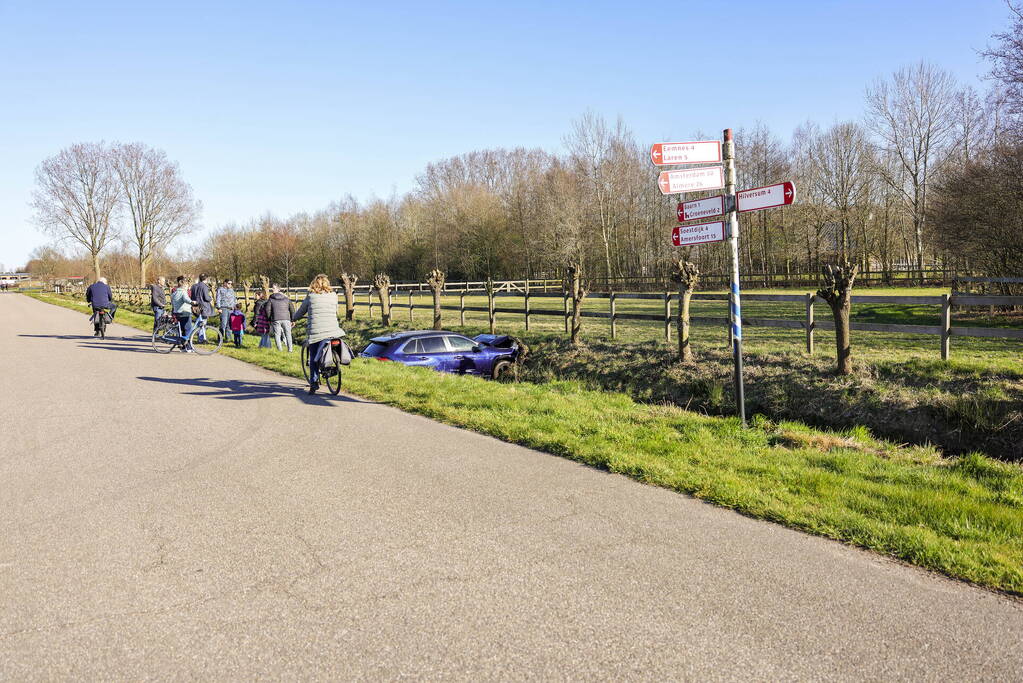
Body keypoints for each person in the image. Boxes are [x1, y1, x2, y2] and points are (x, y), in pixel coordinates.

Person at [293, 274, 345, 394]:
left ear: (314, 284)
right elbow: (336, 310)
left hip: (317, 332)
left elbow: (301, 311)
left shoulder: (311, 296)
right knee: (329, 347)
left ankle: (314, 383)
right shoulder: (334, 296)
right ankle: (333, 364)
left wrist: (294, 319)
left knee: (313, 358)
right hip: (334, 330)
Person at [266, 284, 296, 352]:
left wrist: (269, 319)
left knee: (277, 335)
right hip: (286, 318)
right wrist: (293, 319)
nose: (272, 290)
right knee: (288, 334)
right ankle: (290, 350)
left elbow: (267, 310)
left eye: (273, 288)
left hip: (276, 319)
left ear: (278, 289)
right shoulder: (286, 298)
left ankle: (280, 350)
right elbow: (292, 309)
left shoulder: (271, 299)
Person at [171, 275, 195, 352]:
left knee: (182, 330)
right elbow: (186, 299)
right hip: (185, 313)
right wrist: (192, 302)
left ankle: (183, 347)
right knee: (188, 330)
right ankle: (189, 347)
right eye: (186, 284)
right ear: (182, 284)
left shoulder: (175, 292)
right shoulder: (183, 291)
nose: (187, 286)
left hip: (177, 313)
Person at [190, 274, 214, 342]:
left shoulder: (194, 286)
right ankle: (201, 338)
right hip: (203, 307)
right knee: (203, 322)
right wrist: (210, 298)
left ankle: (198, 336)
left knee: (198, 322)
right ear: (206, 279)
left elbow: (192, 297)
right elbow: (206, 298)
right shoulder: (205, 287)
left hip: (195, 306)